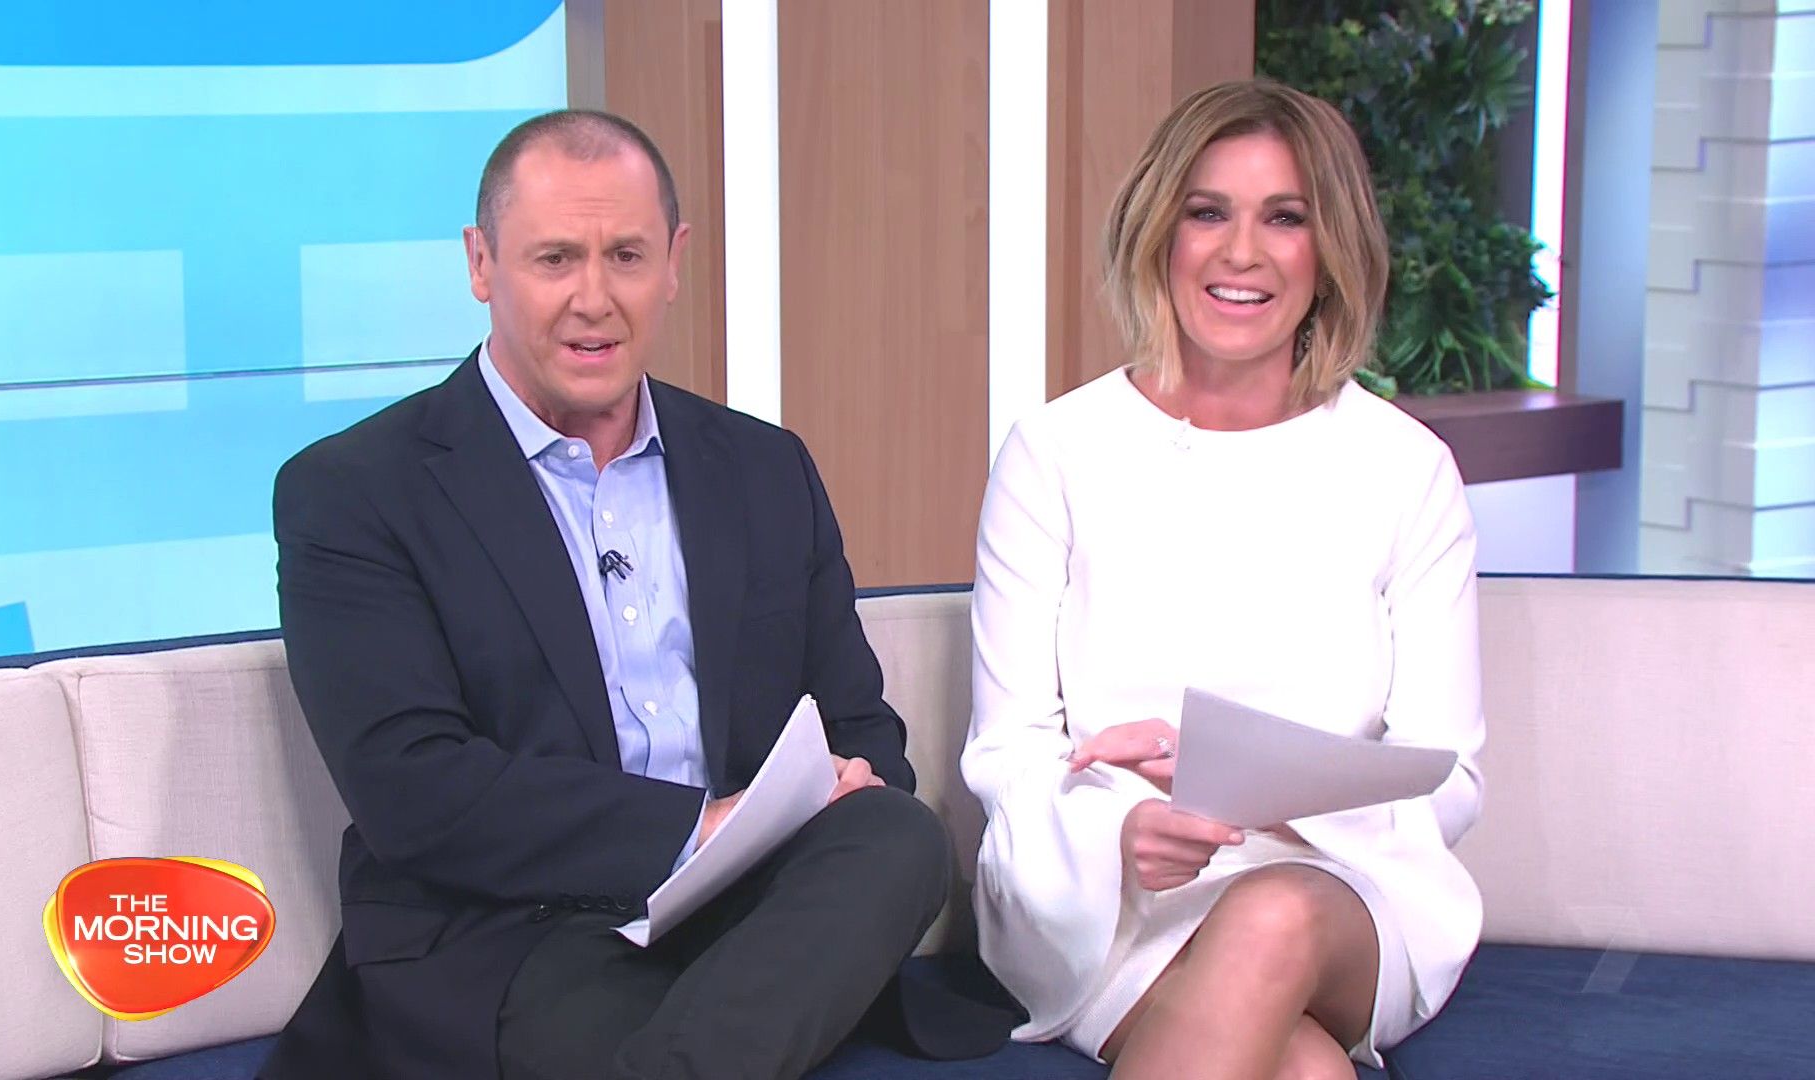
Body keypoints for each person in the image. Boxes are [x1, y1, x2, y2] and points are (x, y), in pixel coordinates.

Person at [262, 109, 1001, 1080]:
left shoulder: (765, 469)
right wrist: (696, 830)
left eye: (626, 256)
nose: (594, 299)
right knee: (668, 1027)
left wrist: (844, 786)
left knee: (897, 835)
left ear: (674, 263)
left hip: (751, 919)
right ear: (481, 264)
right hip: (512, 940)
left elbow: (859, 728)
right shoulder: (357, 491)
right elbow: (414, 789)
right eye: (555, 259)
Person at [962, 79, 1486, 1079]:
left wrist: (1263, 803)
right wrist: (1122, 832)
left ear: (1330, 251)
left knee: (1271, 912)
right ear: (1160, 233)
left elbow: (1447, 774)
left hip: (1340, 883)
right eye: (1208, 212)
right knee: (1305, 1070)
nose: (1241, 252)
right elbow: (1008, 750)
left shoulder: (1405, 469)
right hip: (1105, 891)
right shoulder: (1056, 451)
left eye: (1285, 218)